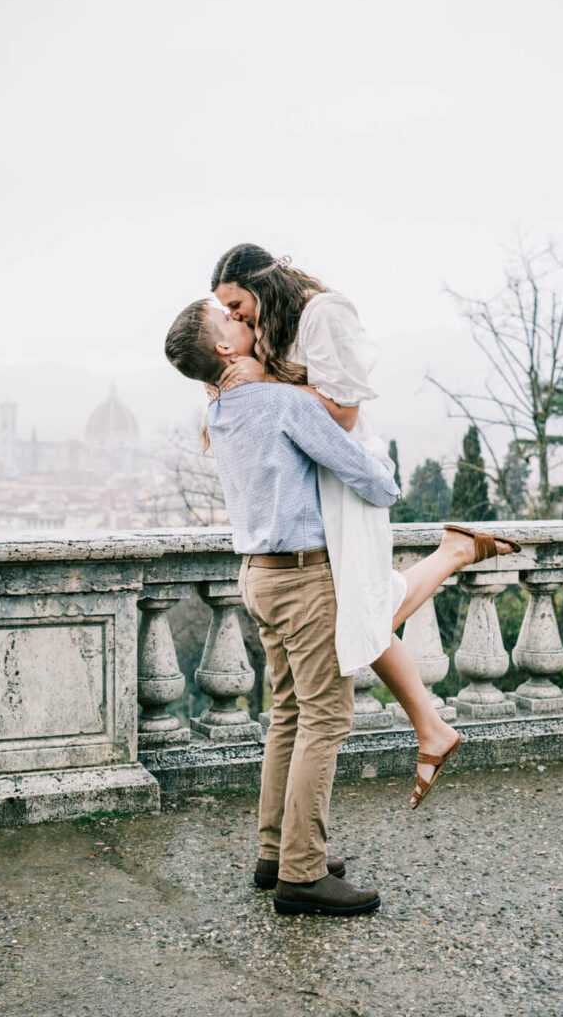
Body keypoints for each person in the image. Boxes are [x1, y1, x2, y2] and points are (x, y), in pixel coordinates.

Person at [210, 244, 520, 807]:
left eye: (235, 305)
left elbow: (344, 412)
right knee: (360, 611)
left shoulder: (324, 312)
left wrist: (260, 387)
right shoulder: (274, 327)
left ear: (260, 286)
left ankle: (450, 564)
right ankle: (433, 720)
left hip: (348, 477)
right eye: (225, 312)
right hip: (317, 478)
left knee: (360, 610)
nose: (234, 318)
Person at [165, 298, 402, 916]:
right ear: (224, 348)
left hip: (257, 579)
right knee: (327, 716)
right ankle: (301, 870)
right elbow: (371, 479)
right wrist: (387, 471)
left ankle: (275, 851)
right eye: (232, 321)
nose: (245, 322)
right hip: (301, 577)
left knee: (291, 711)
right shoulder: (283, 403)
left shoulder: (217, 408)